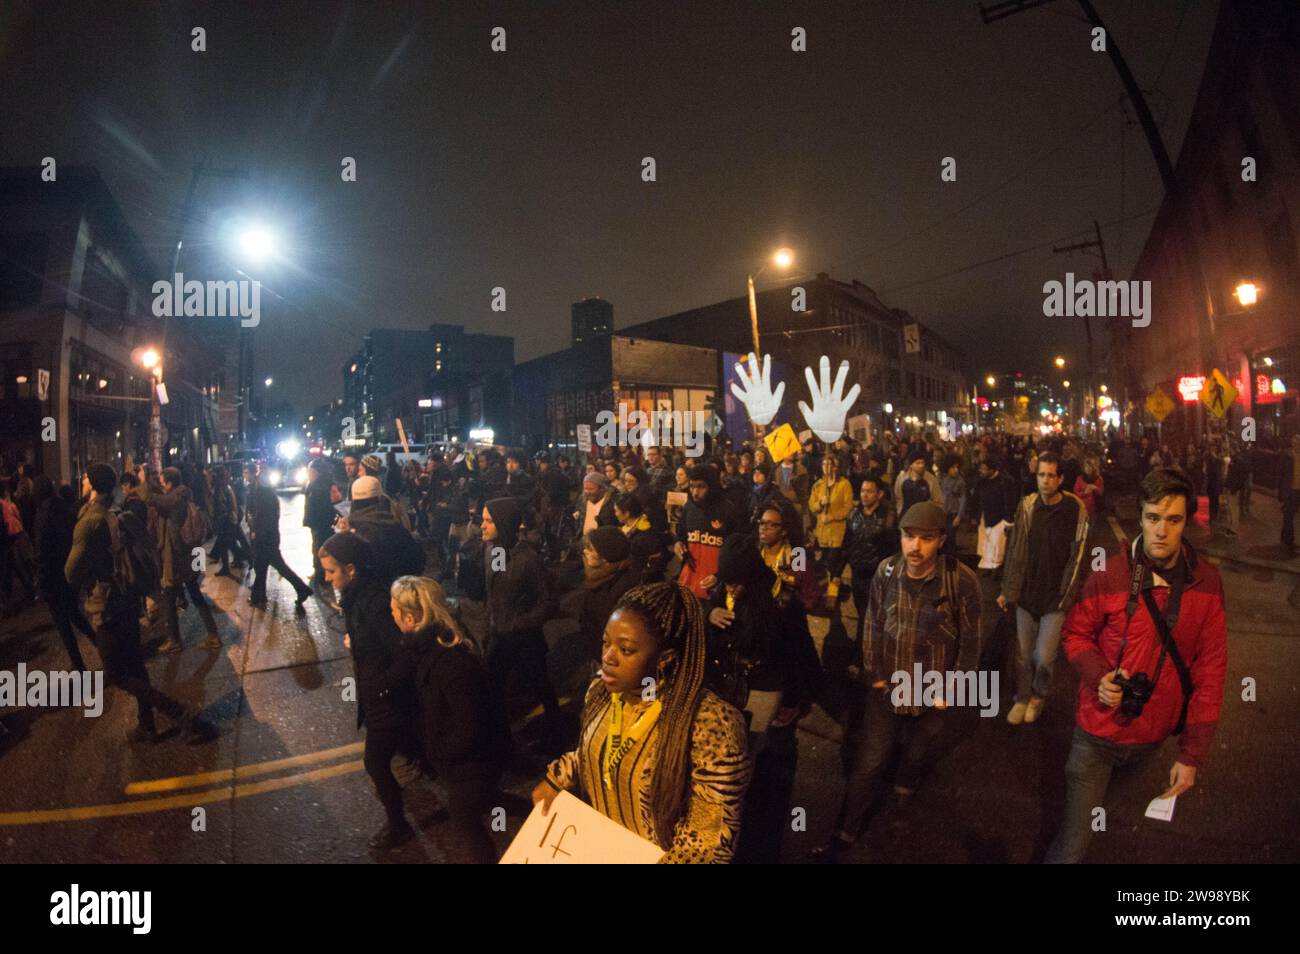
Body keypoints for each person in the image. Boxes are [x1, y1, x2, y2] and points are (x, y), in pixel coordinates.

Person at [1045, 469, 1227, 863]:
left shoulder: (1207, 583)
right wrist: (1099, 676)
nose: (1161, 530)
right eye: (1152, 518)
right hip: (1094, 734)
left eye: (1173, 519)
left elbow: (1210, 674)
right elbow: (1074, 634)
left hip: (1150, 739)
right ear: (1140, 517)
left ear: (1187, 521)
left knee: (1110, 823)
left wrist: (1192, 755)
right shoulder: (1110, 572)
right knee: (1073, 844)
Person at [532, 583, 752, 862]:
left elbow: (707, 844)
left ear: (665, 658)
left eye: (626, 649)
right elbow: (600, 753)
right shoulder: (602, 691)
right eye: (606, 642)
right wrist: (557, 779)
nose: (608, 658)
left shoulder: (711, 725)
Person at [812, 502, 981, 862]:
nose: (915, 547)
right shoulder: (886, 571)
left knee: (918, 749)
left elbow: (970, 642)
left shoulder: (961, 580)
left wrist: (952, 689)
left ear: (941, 541)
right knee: (871, 761)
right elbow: (872, 623)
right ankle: (848, 827)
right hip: (888, 689)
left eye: (926, 538)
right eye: (909, 536)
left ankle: (905, 784)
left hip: (932, 691)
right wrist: (875, 675)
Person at [66, 463, 216, 744]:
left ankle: (183, 715)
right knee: (135, 665)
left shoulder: (90, 521)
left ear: (92, 484)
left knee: (117, 674)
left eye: (85, 478)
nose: (82, 482)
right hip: (129, 599)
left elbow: (70, 572)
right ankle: (146, 725)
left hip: (107, 606)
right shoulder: (120, 512)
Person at [390, 575, 509, 863]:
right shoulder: (425, 646)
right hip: (462, 760)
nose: (389, 613)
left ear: (408, 617)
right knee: (484, 803)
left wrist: (440, 751)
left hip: (472, 763)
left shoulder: (450, 661)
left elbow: (470, 724)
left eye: (392, 608)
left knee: (466, 821)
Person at [320, 532, 418, 849]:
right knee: (415, 747)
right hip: (377, 691)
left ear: (351, 569)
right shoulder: (354, 596)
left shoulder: (374, 602)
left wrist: (381, 688)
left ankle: (398, 824)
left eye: (331, 571)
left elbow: (403, 652)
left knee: (375, 763)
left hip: (384, 699)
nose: (326, 577)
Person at [998, 452, 1089, 725]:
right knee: (1023, 654)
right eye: (1041, 475)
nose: (1046, 481)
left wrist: (1069, 594)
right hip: (1027, 594)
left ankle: (1039, 694)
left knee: (1044, 656)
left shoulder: (1076, 509)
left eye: (1051, 475)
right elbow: (1015, 552)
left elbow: (1082, 554)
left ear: (1060, 478)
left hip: (1056, 598)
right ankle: (1023, 697)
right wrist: (1007, 589)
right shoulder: (1027, 506)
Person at [478, 496, 562, 748]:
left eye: (488, 521)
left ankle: (553, 737)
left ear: (503, 523)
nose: (482, 526)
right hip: (500, 639)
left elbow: (548, 602)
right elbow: (496, 592)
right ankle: (502, 743)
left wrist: (519, 623)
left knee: (541, 687)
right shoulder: (496, 551)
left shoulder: (528, 559)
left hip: (524, 641)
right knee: (493, 690)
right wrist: (491, 625)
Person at [143, 466, 223, 653]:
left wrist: (143, 480)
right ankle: (212, 635)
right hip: (189, 554)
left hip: (177, 558)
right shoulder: (182, 496)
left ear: (170, 483)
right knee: (194, 593)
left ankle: (175, 640)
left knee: (170, 598)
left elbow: (153, 498)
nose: (162, 486)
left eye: (163, 482)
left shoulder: (176, 500)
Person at [32, 475, 94, 670]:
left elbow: (42, 552)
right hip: (69, 572)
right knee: (74, 614)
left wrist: (41, 583)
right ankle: (100, 645)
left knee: (63, 624)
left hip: (53, 577)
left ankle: (79, 666)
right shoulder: (64, 509)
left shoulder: (43, 515)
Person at [245, 462, 314, 612]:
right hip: (269, 535)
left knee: (262, 566)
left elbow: (263, 516)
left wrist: (256, 532)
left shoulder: (262, 496)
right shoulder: (266, 495)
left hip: (265, 536)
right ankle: (301, 589)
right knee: (270, 566)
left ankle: (259, 596)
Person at [572, 526, 641, 655]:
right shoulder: (599, 578)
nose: (585, 552)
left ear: (605, 555)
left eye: (590, 549)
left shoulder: (623, 587)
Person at [675, 464, 740, 600]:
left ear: (712, 486)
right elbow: (680, 534)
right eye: (692, 486)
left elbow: (738, 551)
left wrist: (720, 575)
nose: (695, 492)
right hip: (689, 581)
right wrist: (678, 544)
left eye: (701, 486)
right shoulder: (689, 507)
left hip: (717, 586)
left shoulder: (728, 510)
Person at [346, 475, 425, 585]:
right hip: (392, 591)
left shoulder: (349, 531)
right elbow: (415, 563)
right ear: (380, 500)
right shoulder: (393, 527)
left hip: (365, 592)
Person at [303, 459, 338, 586]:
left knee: (320, 548)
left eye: (311, 471)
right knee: (316, 547)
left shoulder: (324, 485)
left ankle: (321, 574)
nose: (309, 474)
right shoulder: (312, 484)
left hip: (322, 523)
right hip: (315, 522)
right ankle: (318, 572)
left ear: (318, 472)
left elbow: (333, 504)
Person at [894, 452, 942, 517]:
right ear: (911, 465)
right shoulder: (902, 478)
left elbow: (938, 500)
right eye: (918, 463)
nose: (921, 465)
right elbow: (898, 497)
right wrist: (899, 512)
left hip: (924, 517)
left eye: (922, 463)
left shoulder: (931, 479)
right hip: (906, 516)